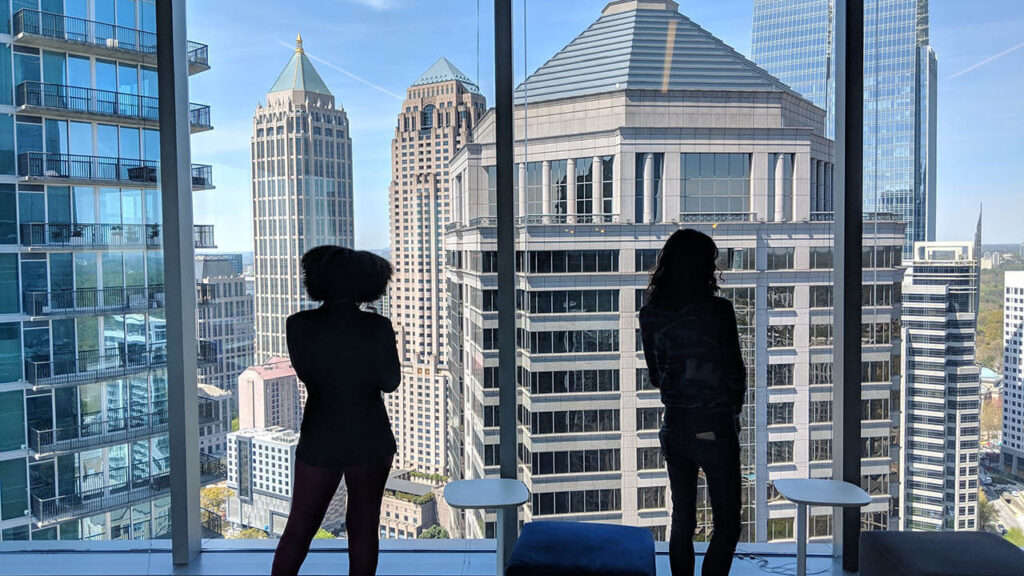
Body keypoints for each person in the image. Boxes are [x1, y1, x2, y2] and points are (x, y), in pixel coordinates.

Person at [271, 246, 400, 576]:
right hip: (370, 435)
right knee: (364, 525)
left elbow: (307, 373)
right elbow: (390, 382)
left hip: (320, 434)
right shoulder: (377, 327)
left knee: (300, 526)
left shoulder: (298, 325)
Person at [638, 229, 745, 576]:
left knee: (682, 517)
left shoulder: (650, 313)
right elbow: (735, 371)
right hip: (714, 426)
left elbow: (656, 376)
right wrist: (731, 411)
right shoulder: (719, 311)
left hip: (675, 427)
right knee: (727, 523)